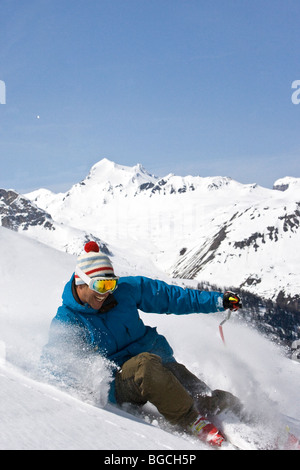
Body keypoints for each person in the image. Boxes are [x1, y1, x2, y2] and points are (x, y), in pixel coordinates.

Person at [43, 241, 243, 447]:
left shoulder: (125, 291)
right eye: (100, 286)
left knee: (198, 393)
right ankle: (192, 420)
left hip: (157, 364)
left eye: (110, 285)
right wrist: (84, 386)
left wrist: (218, 301)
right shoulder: (69, 320)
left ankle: (240, 415)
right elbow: (55, 362)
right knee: (145, 366)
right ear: (81, 282)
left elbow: (171, 297)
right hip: (120, 380)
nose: (105, 293)